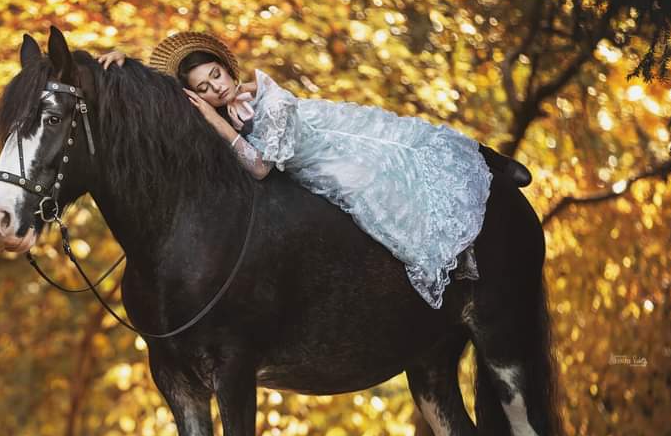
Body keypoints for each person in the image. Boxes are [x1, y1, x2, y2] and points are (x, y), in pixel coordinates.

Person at [96, 32, 528, 310]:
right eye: (204, 89)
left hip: (324, 139)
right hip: (315, 162)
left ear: (227, 67)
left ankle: (489, 164)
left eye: (216, 75)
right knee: (378, 184)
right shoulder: (220, 117)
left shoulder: (263, 99)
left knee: (395, 146)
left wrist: (214, 119)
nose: (216, 87)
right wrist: (125, 60)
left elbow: (261, 167)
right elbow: (165, 100)